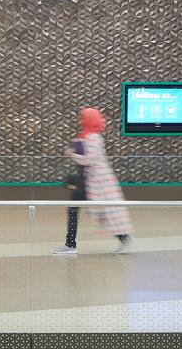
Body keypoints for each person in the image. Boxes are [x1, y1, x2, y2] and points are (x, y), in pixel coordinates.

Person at [53, 107, 133, 254]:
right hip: (87, 182)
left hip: (96, 184)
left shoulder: (93, 137)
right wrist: (76, 150)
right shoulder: (87, 136)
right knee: (77, 209)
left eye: (83, 118)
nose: (80, 121)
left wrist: (72, 154)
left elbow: (90, 159)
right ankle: (71, 244)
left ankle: (123, 237)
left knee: (103, 210)